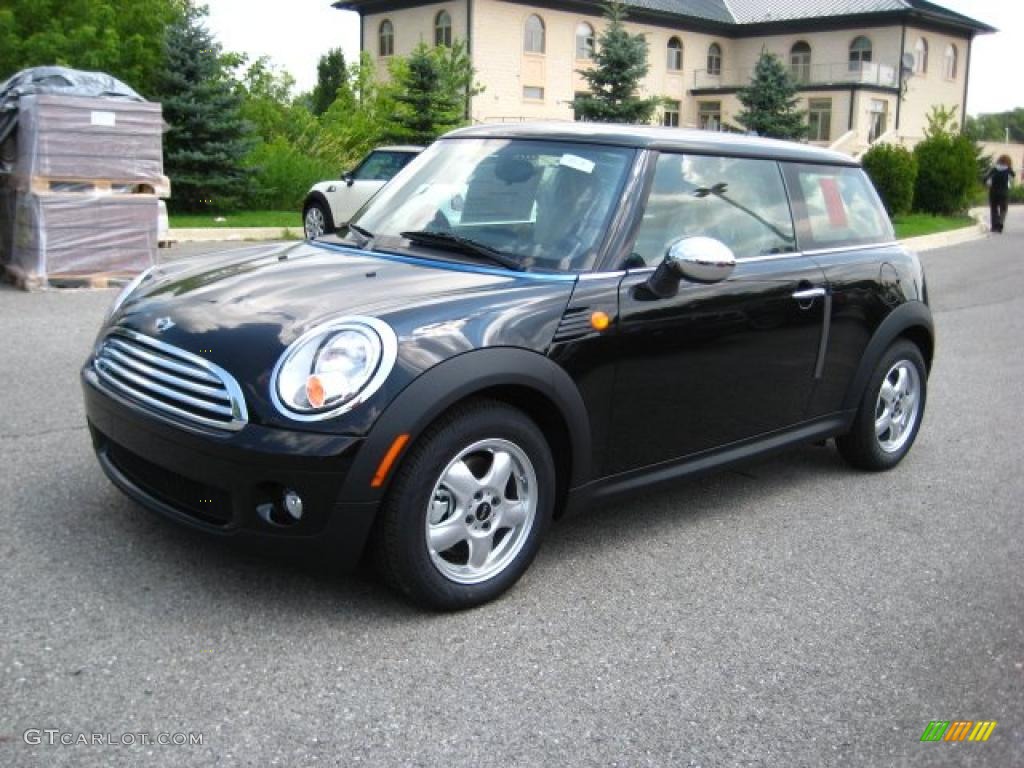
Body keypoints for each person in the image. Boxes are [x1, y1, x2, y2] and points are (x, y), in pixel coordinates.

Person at [983, 155, 1017, 233]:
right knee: (1003, 209)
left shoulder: (994, 169)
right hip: (1004, 192)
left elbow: (985, 178)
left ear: (999, 160)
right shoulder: (1008, 169)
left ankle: (994, 226)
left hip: (993, 192)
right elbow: (1013, 176)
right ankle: (1000, 223)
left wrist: (986, 184)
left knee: (994, 209)